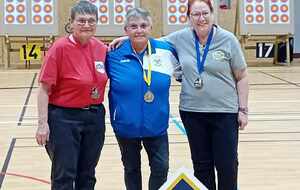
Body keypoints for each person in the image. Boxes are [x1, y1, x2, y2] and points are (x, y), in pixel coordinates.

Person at [109, 0, 248, 190]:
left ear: (212, 14)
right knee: (201, 165)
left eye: (205, 13)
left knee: (227, 165)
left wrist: (243, 109)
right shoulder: (180, 38)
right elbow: (149, 38)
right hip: (193, 112)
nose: (201, 18)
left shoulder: (228, 39)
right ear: (189, 17)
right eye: (196, 14)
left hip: (224, 111)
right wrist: (129, 38)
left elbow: (242, 76)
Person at [35, 1, 108, 189]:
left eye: (91, 21)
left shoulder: (101, 48)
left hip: (94, 117)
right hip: (63, 119)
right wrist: (43, 124)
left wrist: (124, 39)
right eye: (81, 20)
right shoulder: (59, 49)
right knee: (64, 174)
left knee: (88, 173)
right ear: (71, 23)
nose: (86, 25)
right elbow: (43, 89)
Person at [106, 8, 178, 190]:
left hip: (157, 125)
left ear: (150, 27)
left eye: (143, 26)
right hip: (125, 126)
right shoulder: (113, 54)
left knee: (161, 168)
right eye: (133, 26)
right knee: (131, 169)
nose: (139, 30)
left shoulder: (166, 50)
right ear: (126, 30)